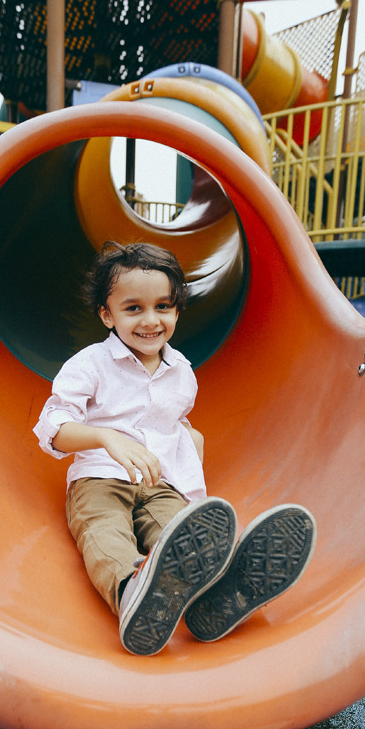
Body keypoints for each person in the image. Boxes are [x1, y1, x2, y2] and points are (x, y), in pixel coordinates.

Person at [33, 241, 316, 656]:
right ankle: (132, 590)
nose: (151, 320)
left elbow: (171, 422)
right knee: (105, 531)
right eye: (133, 309)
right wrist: (106, 438)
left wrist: (190, 443)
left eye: (163, 306)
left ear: (177, 309)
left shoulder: (181, 371)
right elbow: (52, 426)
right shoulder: (90, 364)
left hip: (161, 481)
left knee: (181, 536)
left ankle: (217, 596)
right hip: (100, 477)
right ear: (107, 314)